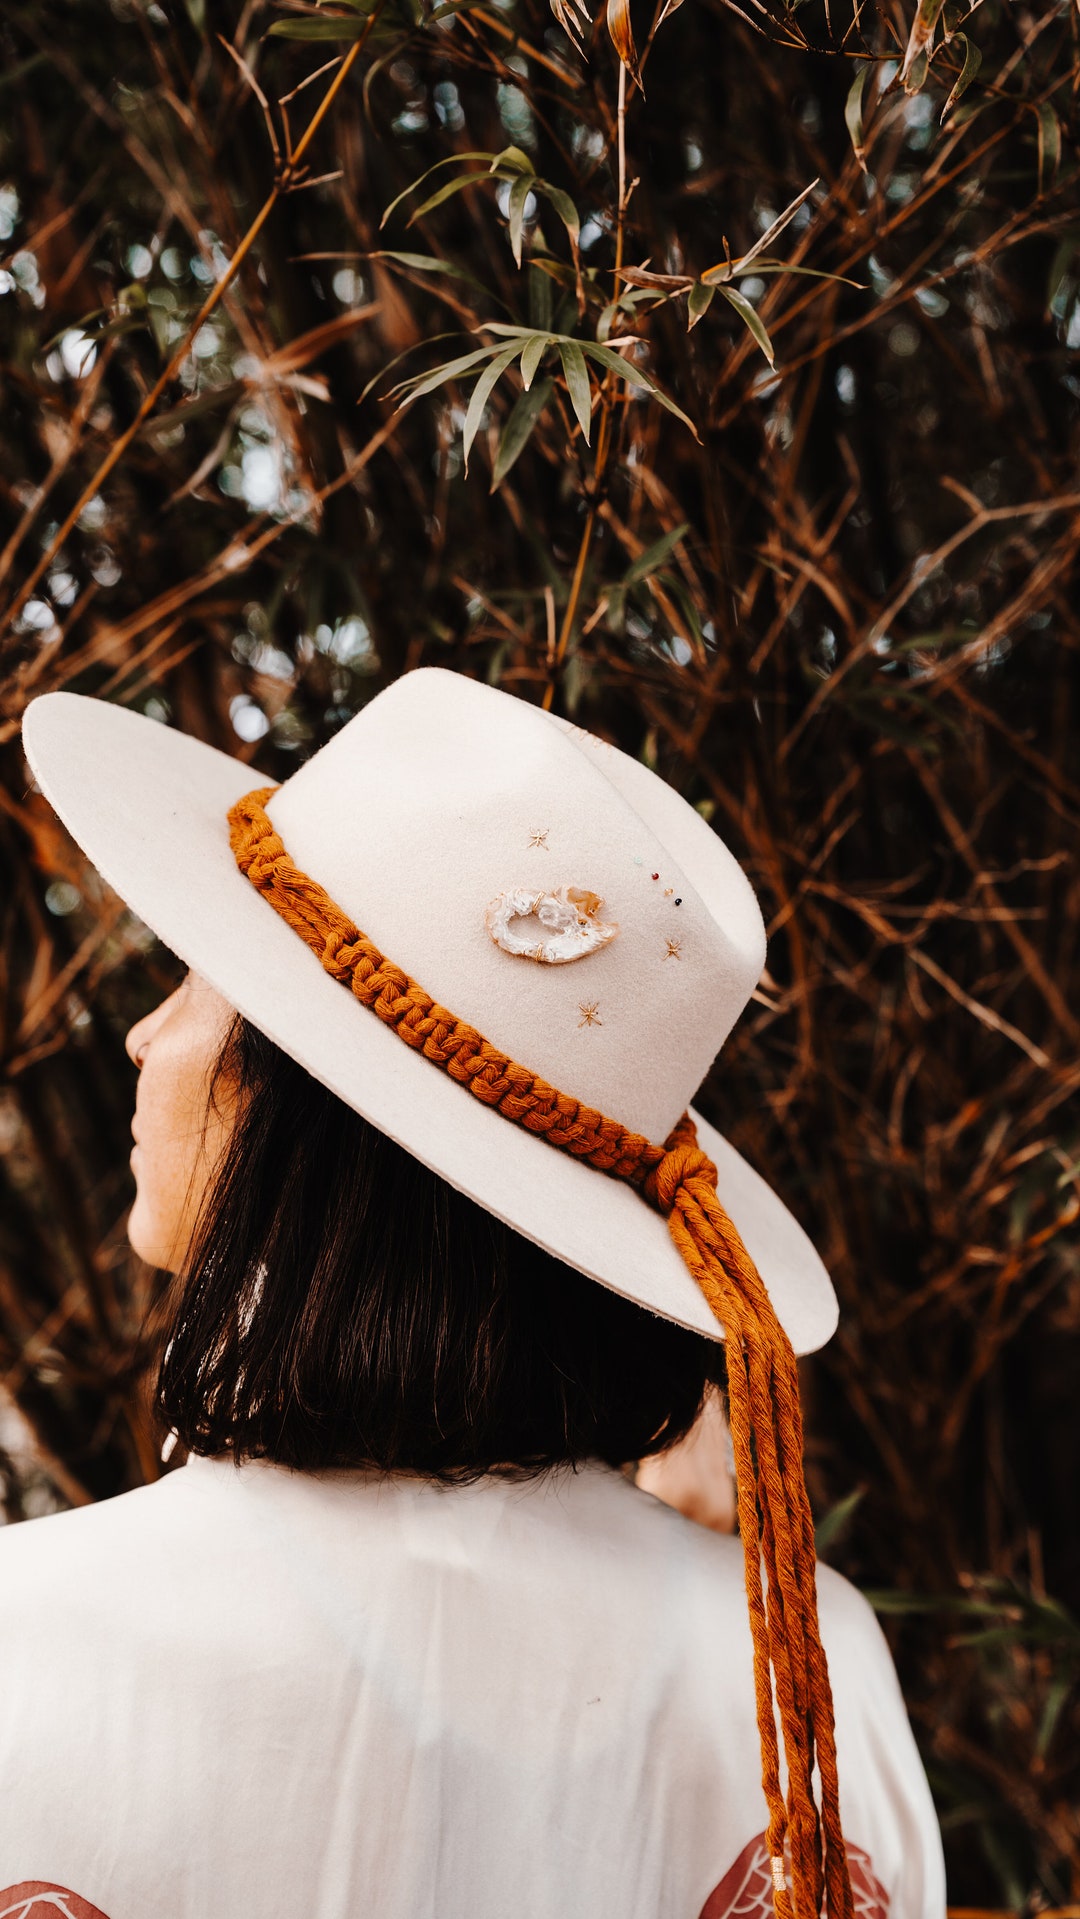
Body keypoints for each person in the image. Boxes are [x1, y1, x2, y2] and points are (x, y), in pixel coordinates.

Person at [0, 669, 945, 1919]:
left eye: (187, 980)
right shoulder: (799, 1671)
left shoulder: (34, 1634)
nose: (140, 1038)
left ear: (297, 1103)